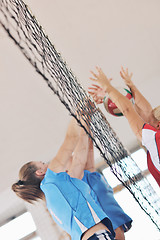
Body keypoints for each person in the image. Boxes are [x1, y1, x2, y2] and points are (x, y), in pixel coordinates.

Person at [12, 117, 116, 240]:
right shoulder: (50, 179)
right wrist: (79, 109)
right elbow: (71, 139)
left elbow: (79, 159)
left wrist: (86, 122)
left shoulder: (58, 191)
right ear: (40, 172)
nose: (48, 164)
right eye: (43, 163)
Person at [89, 66, 160, 187]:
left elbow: (128, 109)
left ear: (158, 125)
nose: (149, 119)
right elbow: (146, 113)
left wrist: (108, 87)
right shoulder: (154, 140)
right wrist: (129, 87)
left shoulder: (155, 140)